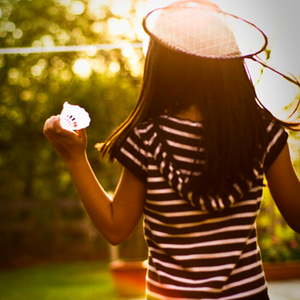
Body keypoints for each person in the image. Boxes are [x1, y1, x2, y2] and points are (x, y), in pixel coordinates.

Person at [44, 1, 300, 299]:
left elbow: (116, 229)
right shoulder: (261, 132)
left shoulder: (148, 139)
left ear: (161, 63)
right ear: (228, 59)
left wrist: (75, 158)